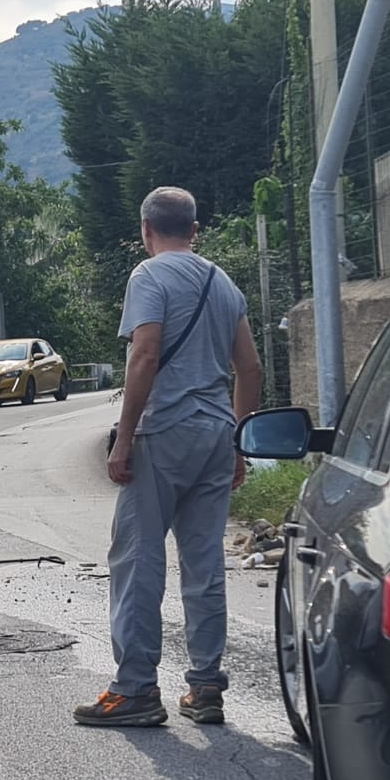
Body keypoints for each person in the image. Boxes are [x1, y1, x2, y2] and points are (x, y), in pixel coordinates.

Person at [76, 186, 262, 729]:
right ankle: (206, 688)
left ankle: (135, 690)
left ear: (146, 230)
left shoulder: (148, 276)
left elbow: (146, 354)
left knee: (137, 560)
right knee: (204, 563)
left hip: (165, 433)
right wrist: (237, 445)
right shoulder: (222, 282)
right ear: (196, 231)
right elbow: (249, 370)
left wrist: (125, 438)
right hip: (215, 435)